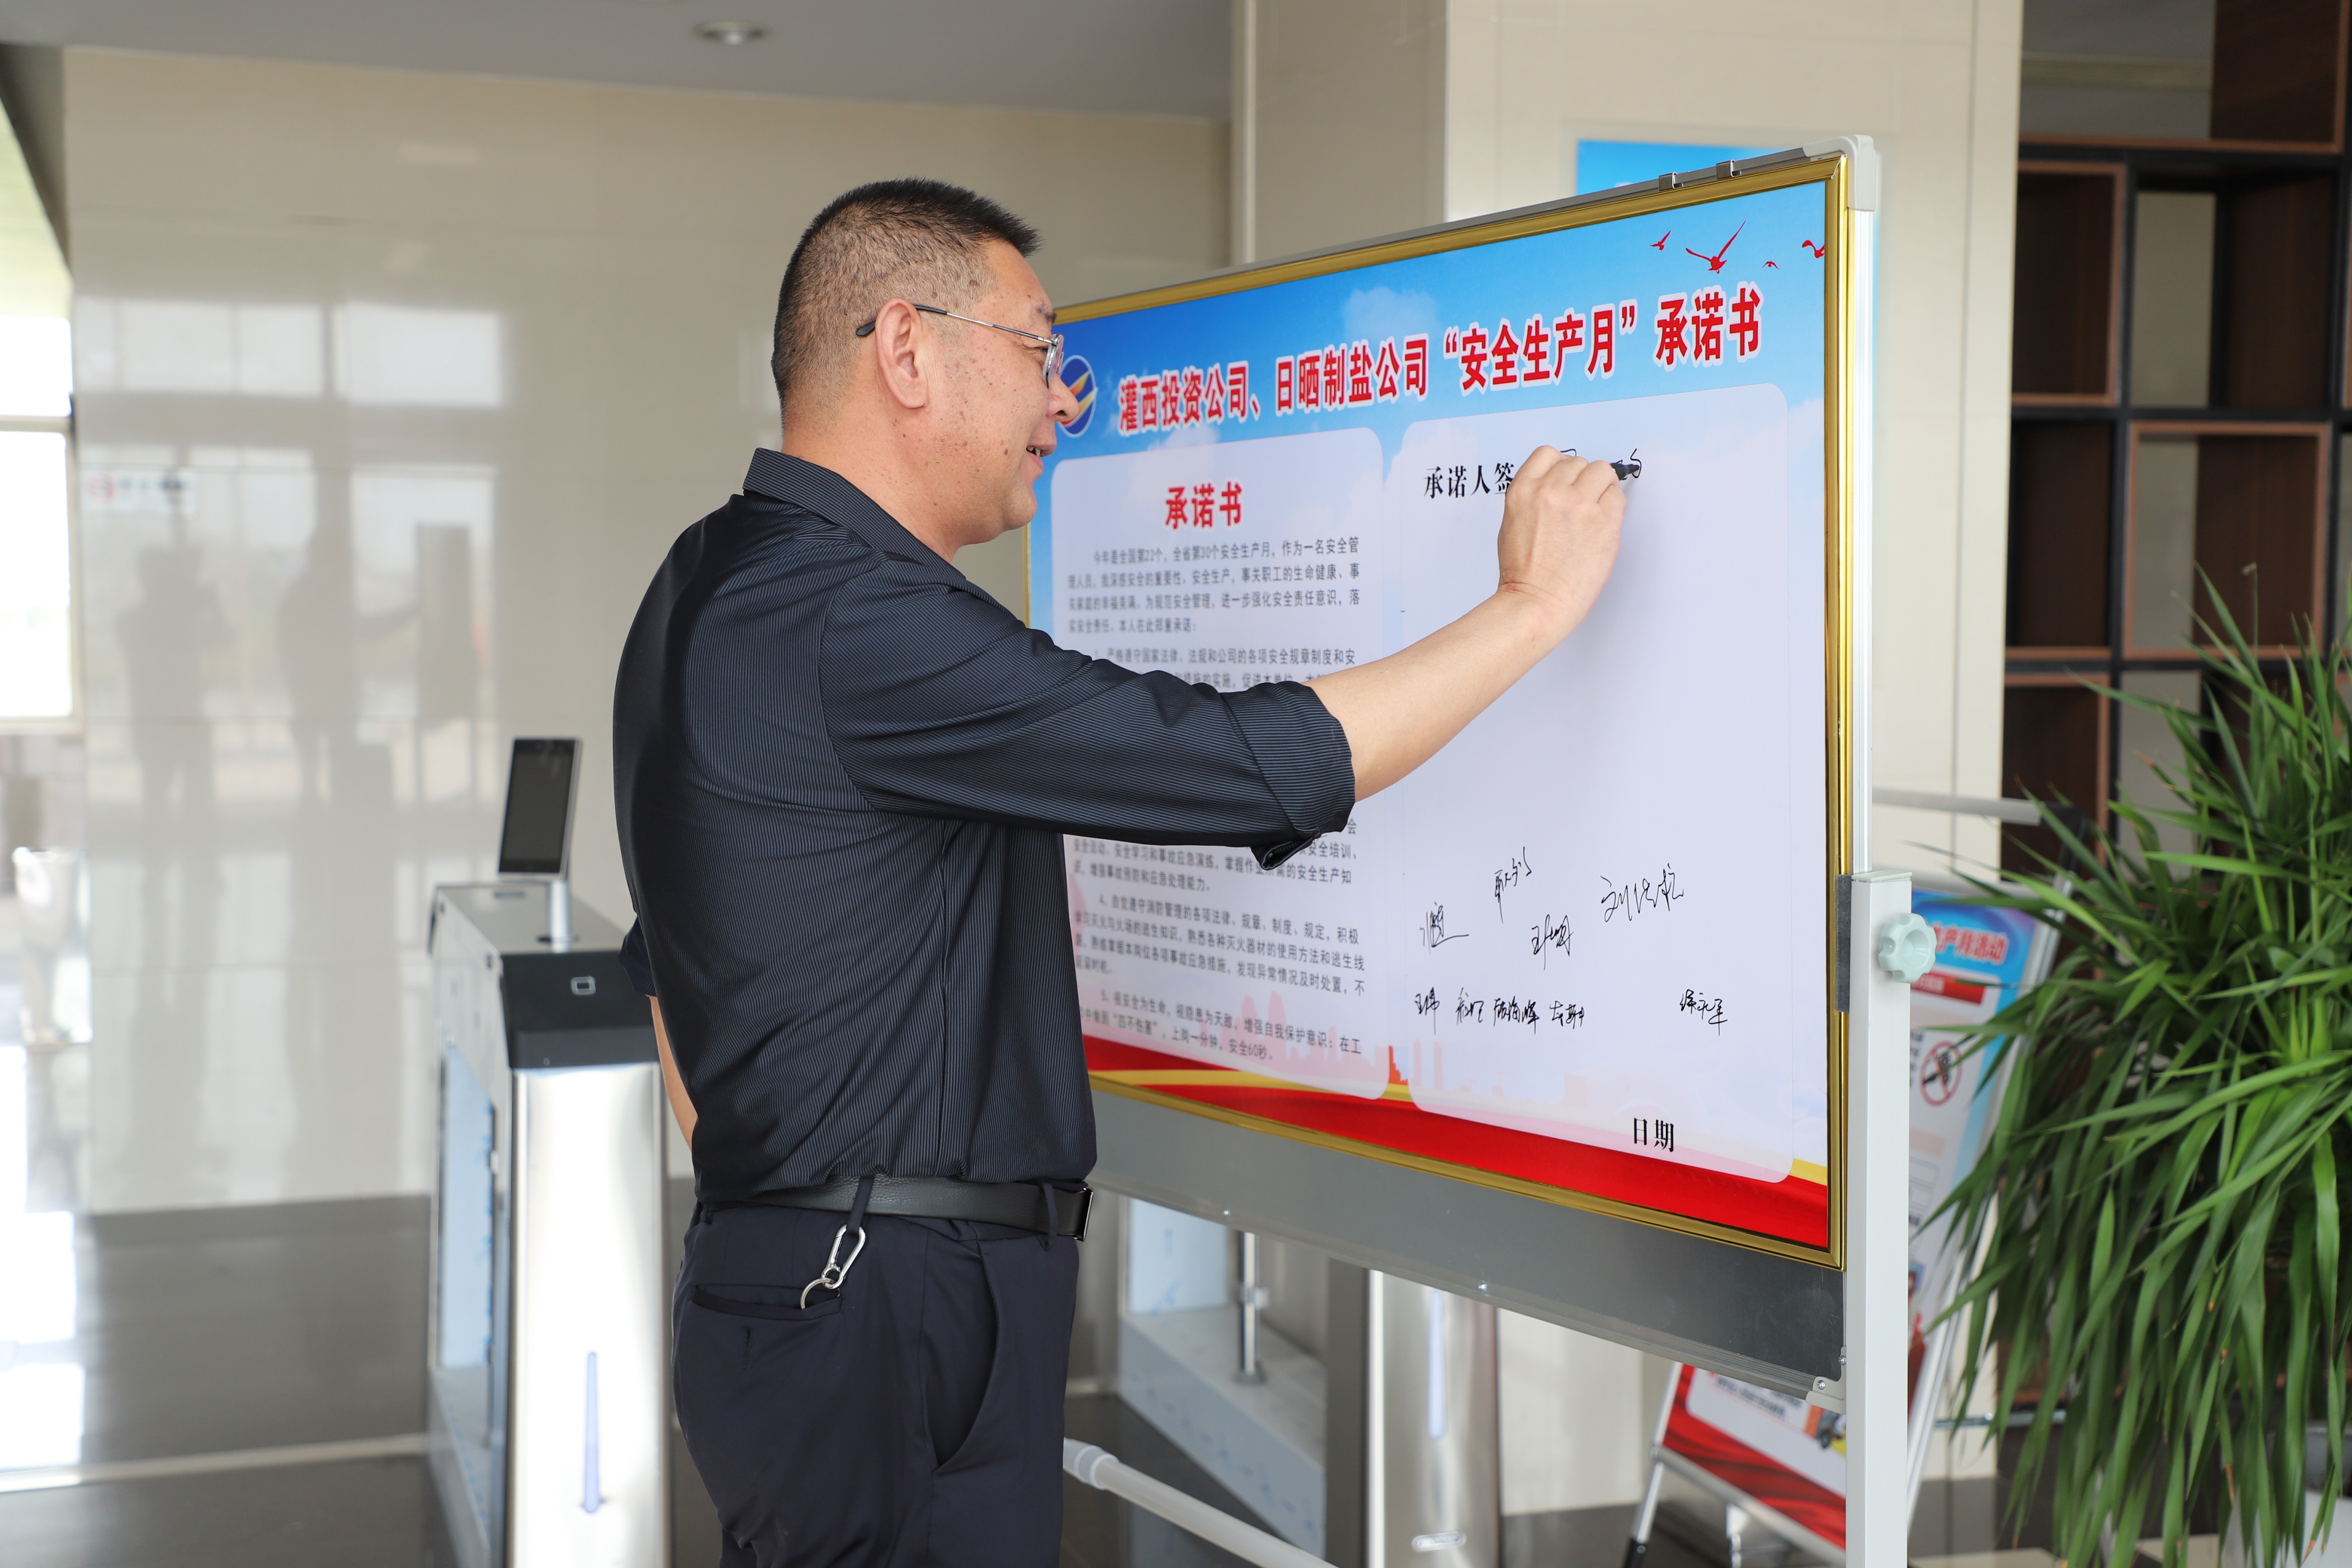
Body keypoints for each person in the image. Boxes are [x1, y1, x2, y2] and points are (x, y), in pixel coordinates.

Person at [612, 177, 1624, 1567]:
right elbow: (1238, 763)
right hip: (885, 1296)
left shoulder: (706, 575)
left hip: (805, 1278)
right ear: (906, 349)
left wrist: (774, 1184)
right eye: (1040, 349)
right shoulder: (862, 620)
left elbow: (666, 948)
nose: (1063, 401)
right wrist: (1531, 607)